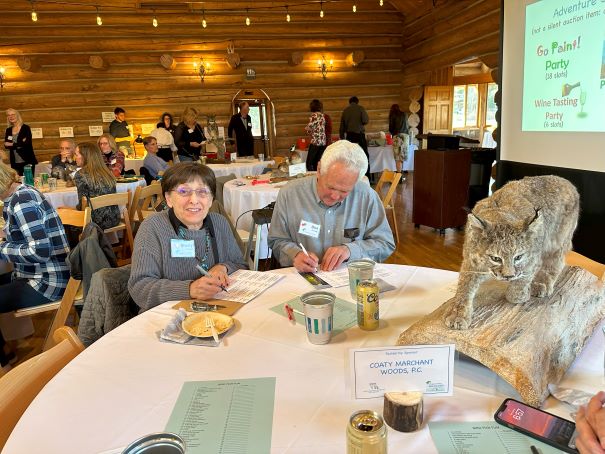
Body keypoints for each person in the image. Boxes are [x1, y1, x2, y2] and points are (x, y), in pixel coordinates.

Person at [128, 162, 247, 311]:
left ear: (210, 200)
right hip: (166, 317)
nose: (194, 200)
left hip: (217, 312)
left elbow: (241, 265)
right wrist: (190, 289)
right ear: (169, 198)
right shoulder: (153, 228)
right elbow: (139, 287)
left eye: (202, 192)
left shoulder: (219, 223)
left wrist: (223, 267)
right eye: (184, 191)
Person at [268, 140, 395, 272]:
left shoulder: (367, 197)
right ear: (318, 170)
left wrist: (350, 250)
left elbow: (385, 243)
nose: (334, 196)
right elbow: (277, 240)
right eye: (330, 187)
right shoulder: (290, 194)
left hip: (350, 279)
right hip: (303, 279)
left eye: (344, 191)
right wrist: (295, 255)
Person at [0, 162, 70, 371]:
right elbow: (24, 234)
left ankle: (4, 362)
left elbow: (41, 251)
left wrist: (2, 248)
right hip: (38, 272)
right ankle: (6, 353)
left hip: (49, 280)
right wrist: (6, 236)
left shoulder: (22, 202)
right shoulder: (18, 194)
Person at [73, 142, 120, 230]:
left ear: (85, 156)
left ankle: (83, 244)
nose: (75, 157)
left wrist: (69, 210)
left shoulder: (80, 174)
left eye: (76, 154)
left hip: (94, 223)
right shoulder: (107, 172)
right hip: (115, 218)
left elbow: (82, 206)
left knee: (63, 217)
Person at [339, 97, 369, 176]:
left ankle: (351, 176)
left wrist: (342, 138)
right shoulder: (361, 109)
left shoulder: (345, 111)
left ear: (350, 102)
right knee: (364, 155)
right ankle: (367, 176)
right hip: (360, 135)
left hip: (350, 136)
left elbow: (342, 126)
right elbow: (365, 120)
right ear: (357, 102)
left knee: (351, 156)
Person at [3, 108, 37, 176]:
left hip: (27, 159)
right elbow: (6, 145)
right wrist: (20, 143)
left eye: (13, 114)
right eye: (9, 115)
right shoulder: (8, 130)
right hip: (14, 161)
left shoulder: (26, 128)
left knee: (29, 181)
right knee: (17, 181)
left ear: (17, 115)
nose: (11, 116)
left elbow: (27, 143)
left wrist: (12, 144)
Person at [305, 99, 327, 171]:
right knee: (317, 162)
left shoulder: (314, 115)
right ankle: (317, 177)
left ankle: (311, 178)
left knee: (309, 162)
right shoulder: (322, 116)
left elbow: (309, 127)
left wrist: (307, 129)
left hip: (315, 141)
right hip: (323, 142)